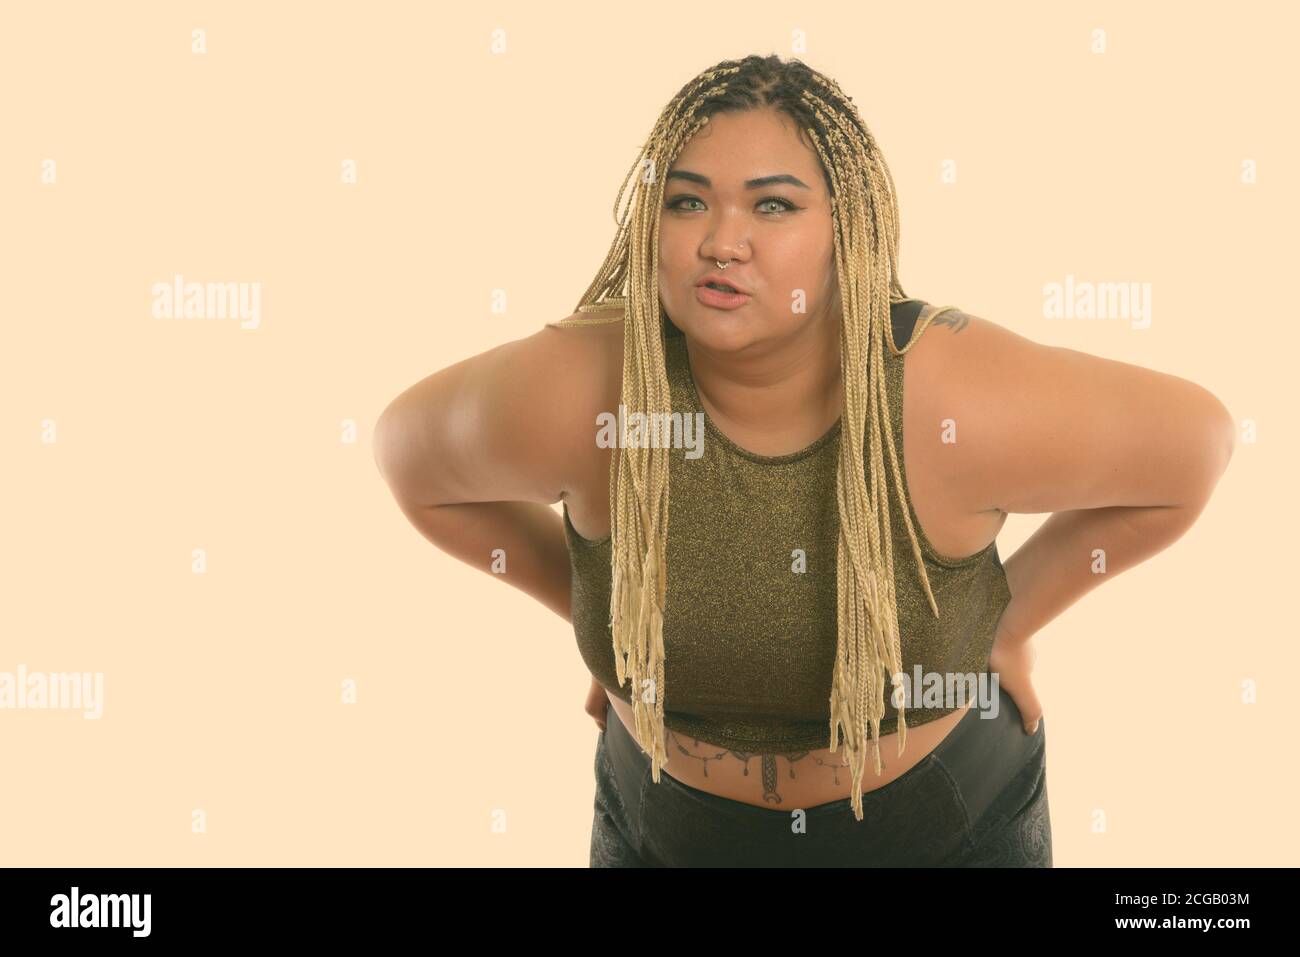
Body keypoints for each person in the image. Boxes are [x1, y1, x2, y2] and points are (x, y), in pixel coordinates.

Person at [373, 54, 1236, 867]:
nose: (721, 240)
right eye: (686, 202)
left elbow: (1195, 445)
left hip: (937, 830)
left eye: (773, 206)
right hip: (666, 830)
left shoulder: (948, 397)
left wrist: (1008, 619)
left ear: (847, 230)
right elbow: (410, 460)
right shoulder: (586, 384)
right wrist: (611, 619)